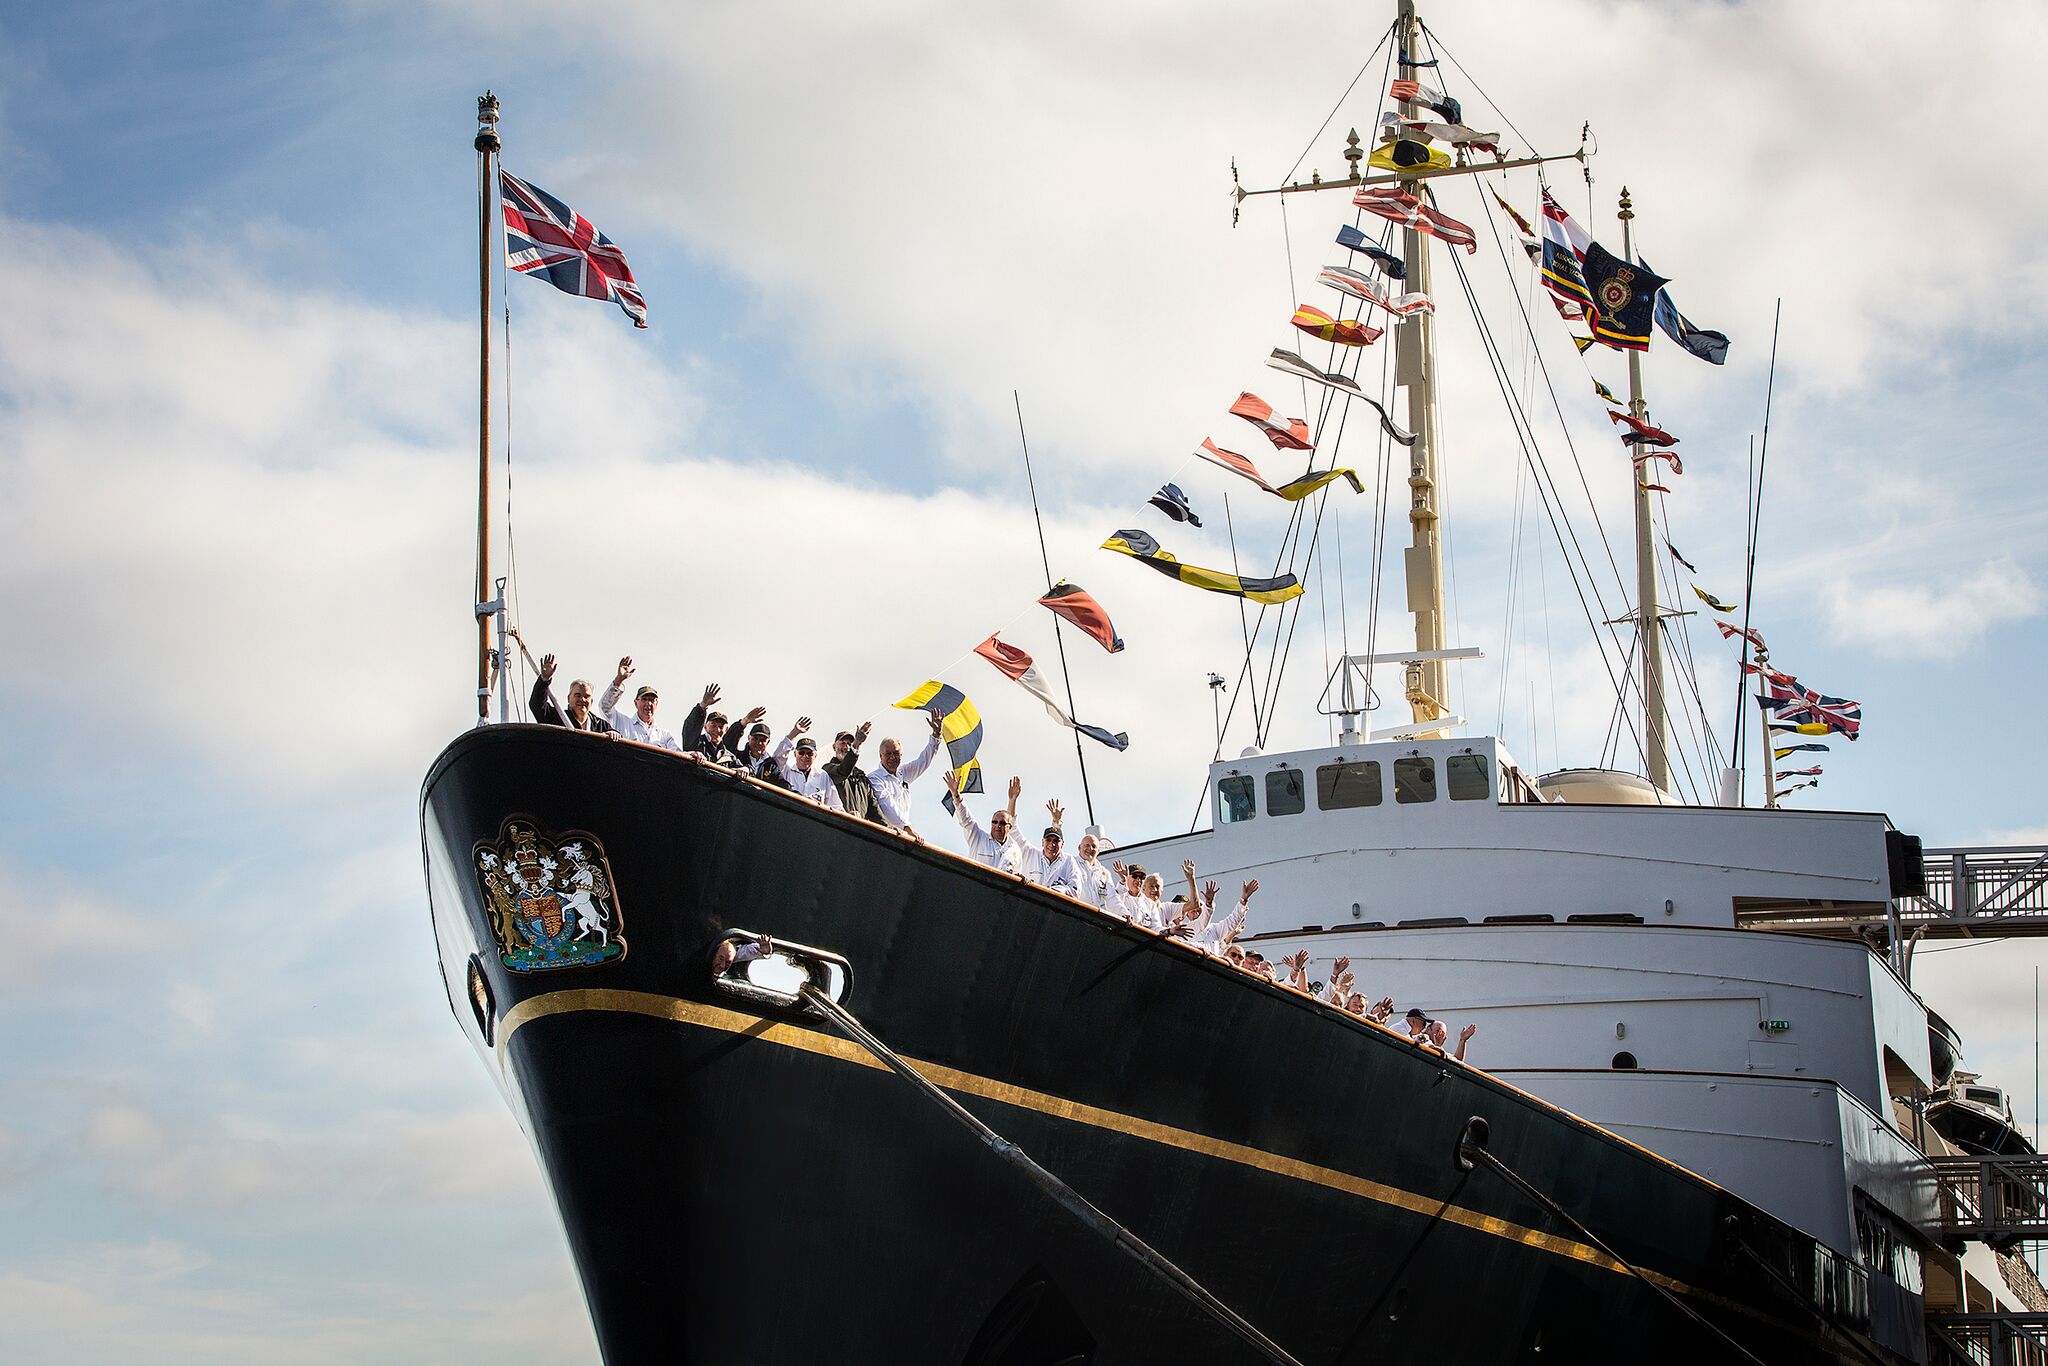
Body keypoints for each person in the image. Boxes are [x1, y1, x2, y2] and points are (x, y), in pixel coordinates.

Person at [871, 711, 944, 835]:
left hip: (904, 836)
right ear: (880, 756)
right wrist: (907, 827)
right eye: (888, 754)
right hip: (884, 835)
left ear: (901, 755)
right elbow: (887, 804)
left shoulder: (903, 773)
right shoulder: (875, 778)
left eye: (896, 753)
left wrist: (936, 735)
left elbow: (923, 761)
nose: (892, 758)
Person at [598, 657, 683, 750]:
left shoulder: (664, 736)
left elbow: (679, 755)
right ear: (636, 703)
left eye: (652, 700)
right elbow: (605, 707)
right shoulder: (622, 723)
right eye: (644, 699)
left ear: (656, 704)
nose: (648, 703)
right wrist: (618, 680)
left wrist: (694, 755)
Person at [946, 770, 1023, 870]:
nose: (998, 825)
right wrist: (956, 795)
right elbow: (967, 820)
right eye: (994, 822)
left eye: (1002, 823)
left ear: (1010, 827)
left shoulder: (1015, 850)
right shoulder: (978, 838)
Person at [526, 651, 615, 734]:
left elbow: (617, 741)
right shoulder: (557, 718)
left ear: (591, 702)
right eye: (577, 695)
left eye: (587, 696)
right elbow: (537, 705)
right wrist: (544, 680)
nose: (582, 699)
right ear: (569, 698)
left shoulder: (601, 726)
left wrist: (613, 734)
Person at [679, 683, 763, 767]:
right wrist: (702, 706)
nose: (717, 730)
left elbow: (749, 772)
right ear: (705, 726)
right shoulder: (696, 744)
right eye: (713, 725)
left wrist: (746, 769)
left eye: (721, 727)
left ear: (726, 730)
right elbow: (691, 727)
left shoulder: (728, 756)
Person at [825, 724, 890, 826]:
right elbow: (843, 771)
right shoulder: (828, 770)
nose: (846, 747)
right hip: (838, 827)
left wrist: (889, 828)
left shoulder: (861, 777)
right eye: (842, 743)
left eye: (849, 744)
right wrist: (857, 744)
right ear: (834, 747)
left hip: (859, 832)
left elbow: (874, 809)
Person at [772, 717, 843, 809]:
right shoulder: (786, 771)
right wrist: (794, 733)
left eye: (809, 753)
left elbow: (835, 805)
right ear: (795, 753)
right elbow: (777, 757)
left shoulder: (823, 776)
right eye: (801, 753)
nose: (805, 756)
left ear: (815, 756)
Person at [1196, 880, 1258, 955]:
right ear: (1187, 914)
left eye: (1200, 910)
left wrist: (1244, 899)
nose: (1197, 913)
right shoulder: (1183, 931)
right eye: (1193, 911)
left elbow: (1233, 920)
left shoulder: (1214, 929)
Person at [1070, 833, 1117, 912]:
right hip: (1075, 912)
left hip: (1096, 916)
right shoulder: (1071, 863)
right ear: (1079, 847)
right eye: (1087, 845)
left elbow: (1112, 897)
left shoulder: (1104, 873)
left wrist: (1124, 913)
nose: (1090, 848)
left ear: (1098, 851)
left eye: (1094, 846)